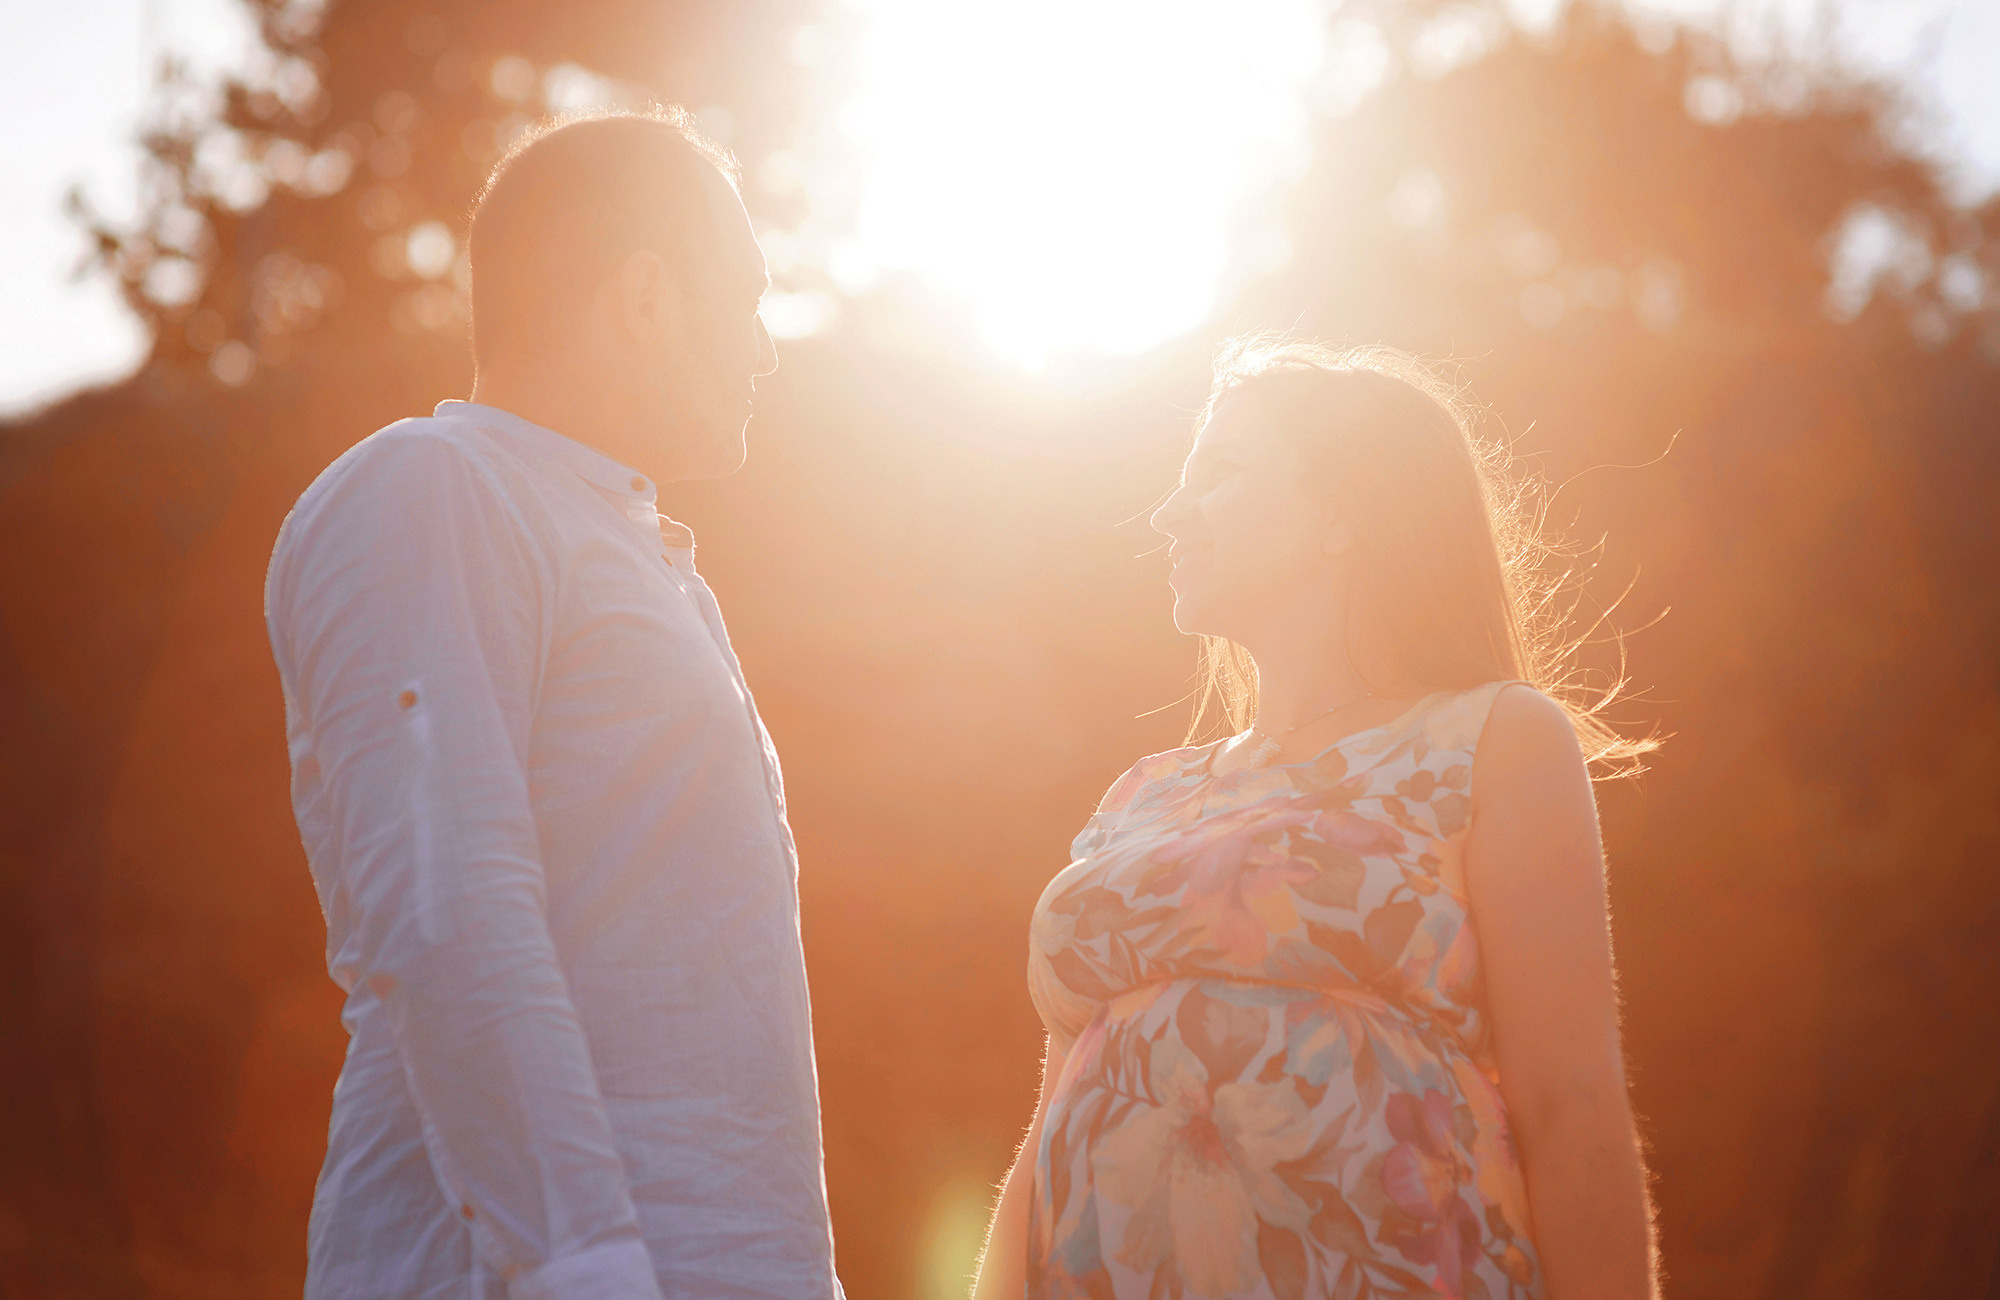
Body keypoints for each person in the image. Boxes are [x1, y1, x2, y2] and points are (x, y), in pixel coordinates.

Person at [264, 108, 842, 1300]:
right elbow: (445, 900)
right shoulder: (435, 488)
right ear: (646, 297)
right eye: (747, 299)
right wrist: (577, 1265)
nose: (766, 352)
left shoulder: (643, 560)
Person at [973, 340, 1659, 1300]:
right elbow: (1047, 1132)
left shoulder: (1494, 738)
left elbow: (1570, 1107)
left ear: (1344, 512)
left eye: (1219, 473)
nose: (1168, 514)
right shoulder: (1142, 793)